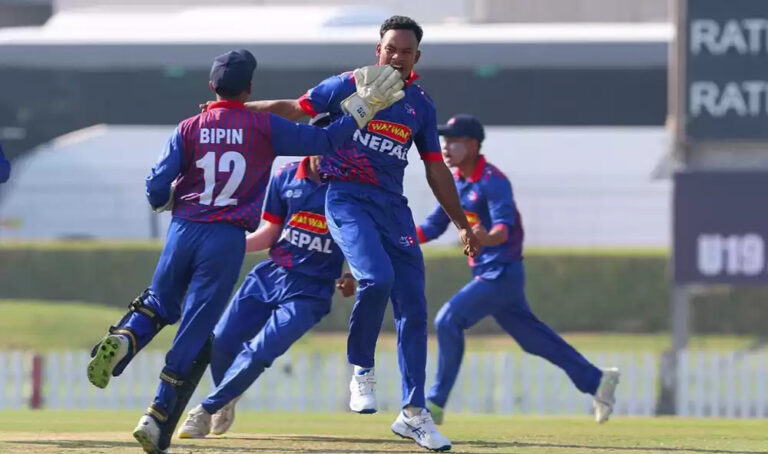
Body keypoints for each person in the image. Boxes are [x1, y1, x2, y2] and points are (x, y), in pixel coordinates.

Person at [85, 49, 404, 454]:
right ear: (249, 88)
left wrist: (165, 201)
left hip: (184, 227)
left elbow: (156, 186)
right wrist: (363, 108)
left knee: (159, 302)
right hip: (226, 237)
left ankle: (127, 336)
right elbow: (324, 140)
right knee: (195, 329)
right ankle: (157, 415)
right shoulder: (264, 126)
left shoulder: (190, 126)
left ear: (211, 86)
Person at [236, 16, 480, 452]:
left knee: (414, 306)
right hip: (347, 199)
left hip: (392, 208)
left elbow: (435, 168)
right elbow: (294, 108)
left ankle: (413, 413)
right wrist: (237, 111)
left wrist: (461, 223)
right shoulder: (346, 84)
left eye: (406, 52)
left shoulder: (420, 105)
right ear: (378, 50)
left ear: (417, 57)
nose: (397, 57)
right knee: (376, 279)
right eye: (390, 49)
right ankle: (362, 370)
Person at [416, 114, 621, 426]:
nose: (446, 147)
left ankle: (435, 404)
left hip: (501, 274)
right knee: (533, 340)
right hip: (489, 275)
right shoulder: (455, 182)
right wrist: (396, 237)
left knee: (448, 320)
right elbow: (433, 226)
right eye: (445, 141)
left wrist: (485, 237)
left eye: (454, 141)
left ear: (473, 145)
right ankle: (597, 381)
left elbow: (503, 229)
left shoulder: (493, 181)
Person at [175, 116, 356, 438]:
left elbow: (359, 240)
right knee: (222, 342)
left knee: (261, 350)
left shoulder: (350, 187)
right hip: (269, 275)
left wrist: (351, 272)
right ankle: (228, 395)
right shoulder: (286, 176)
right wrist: (228, 246)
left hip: (310, 291)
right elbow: (271, 231)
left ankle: (206, 409)